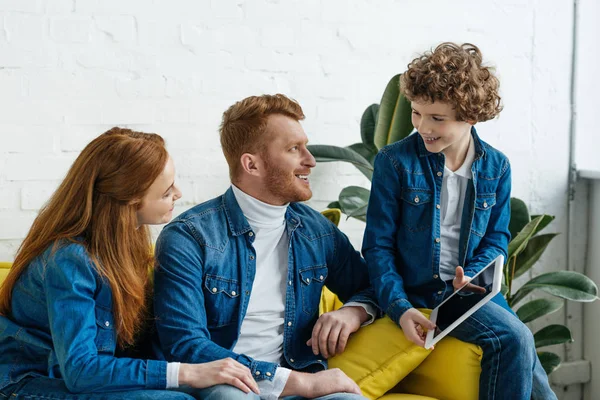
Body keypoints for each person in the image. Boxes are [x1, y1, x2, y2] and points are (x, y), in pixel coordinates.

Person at [0, 128, 259, 399]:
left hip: (85, 377)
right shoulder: (69, 260)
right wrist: (187, 373)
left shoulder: (126, 246)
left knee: (225, 390)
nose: (178, 194)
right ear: (131, 200)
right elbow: (80, 371)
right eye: (166, 191)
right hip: (34, 382)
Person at [362, 43, 557, 400]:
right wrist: (400, 308)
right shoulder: (394, 161)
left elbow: (497, 238)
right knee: (514, 337)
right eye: (417, 113)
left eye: (437, 118)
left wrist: (472, 277)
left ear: (471, 116)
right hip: (419, 291)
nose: (422, 126)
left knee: (534, 374)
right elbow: (377, 247)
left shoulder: (496, 167)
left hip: (470, 293)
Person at [153, 94, 378, 400]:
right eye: (293, 149)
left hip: (299, 373)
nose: (310, 160)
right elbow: (186, 344)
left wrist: (353, 311)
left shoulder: (316, 231)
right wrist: (294, 381)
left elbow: (372, 286)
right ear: (252, 164)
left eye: (305, 146)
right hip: (224, 382)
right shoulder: (189, 237)